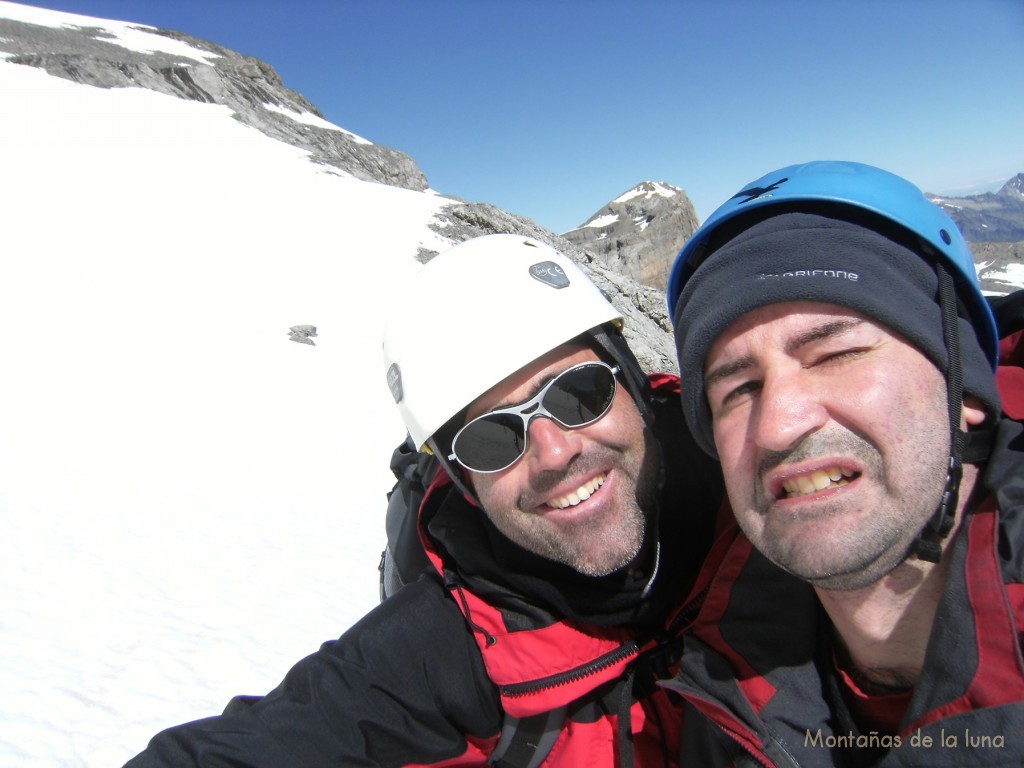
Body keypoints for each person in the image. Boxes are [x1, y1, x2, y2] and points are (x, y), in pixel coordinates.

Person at [125, 234, 725, 767]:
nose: (553, 452)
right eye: (491, 439)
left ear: (633, 382)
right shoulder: (440, 652)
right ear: (464, 482)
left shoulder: (757, 498)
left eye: (577, 394)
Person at [663, 160, 1024, 766]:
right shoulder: (714, 691)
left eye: (836, 353)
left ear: (965, 393)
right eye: (739, 390)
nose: (778, 424)